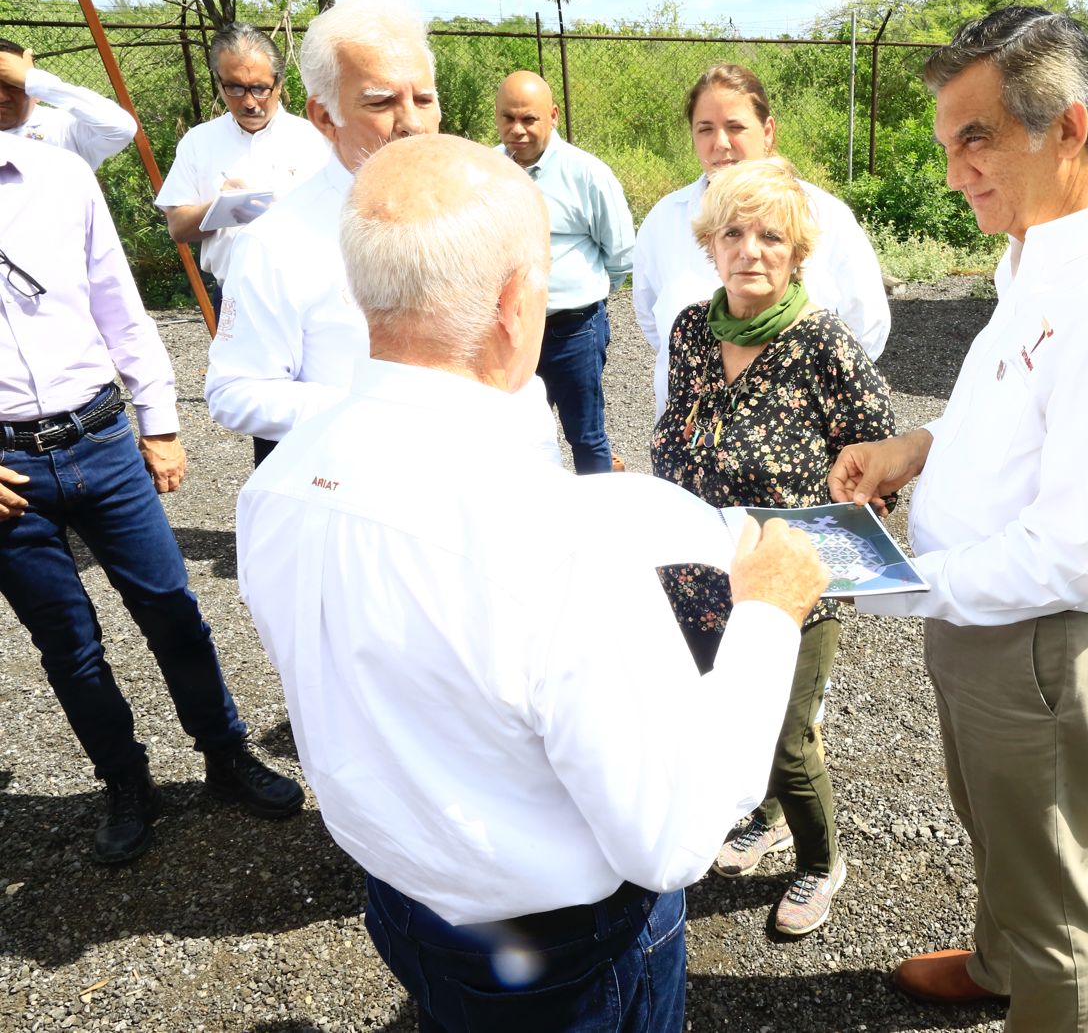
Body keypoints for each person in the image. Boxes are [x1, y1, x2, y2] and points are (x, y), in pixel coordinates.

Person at [235, 132, 829, 1033]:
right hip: (563, 953)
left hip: (402, 900)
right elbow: (673, 834)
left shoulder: (275, 483)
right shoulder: (561, 545)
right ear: (518, 303)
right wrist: (768, 612)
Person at [828, 8, 1088, 1031]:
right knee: (999, 825)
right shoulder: (1041, 245)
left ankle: (1034, 976)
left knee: (1054, 893)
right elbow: (1016, 403)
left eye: (975, 138)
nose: (954, 170)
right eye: (945, 142)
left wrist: (879, 582)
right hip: (983, 614)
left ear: (1067, 127)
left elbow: (1074, 552)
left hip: (1041, 638)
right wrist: (918, 445)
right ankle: (1000, 962)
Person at [0, 131, 302, 866]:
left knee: (172, 608)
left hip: (101, 437)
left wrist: (159, 422)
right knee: (68, 646)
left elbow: (118, 302)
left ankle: (226, 756)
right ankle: (126, 783)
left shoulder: (59, 175)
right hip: (9, 473)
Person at [651, 156, 896, 936]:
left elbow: (879, 459)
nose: (750, 249)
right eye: (733, 233)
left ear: (796, 253)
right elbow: (679, 427)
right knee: (722, 712)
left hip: (794, 583)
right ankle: (760, 816)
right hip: (699, 573)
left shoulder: (823, 341)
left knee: (787, 737)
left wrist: (857, 508)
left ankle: (822, 859)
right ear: (709, 244)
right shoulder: (692, 328)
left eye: (770, 236)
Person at [206, 0, 564, 470]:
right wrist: (382, 411)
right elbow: (235, 392)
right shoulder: (276, 242)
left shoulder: (484, 204)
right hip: (361, 486)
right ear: (323, 116)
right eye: (380, 102)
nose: (412, 123)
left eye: (424, 99)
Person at [633, 63, 891, 418]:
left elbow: (866, 328)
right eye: (705, 129)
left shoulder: (823, 216)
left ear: (767, 131)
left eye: (735, 127)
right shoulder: (665, 219)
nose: (720, 143)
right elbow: (653, 322)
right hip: (687, 441)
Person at [494, 70, 633, 474]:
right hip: (509, 333)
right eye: (507, 118)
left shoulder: (586, 174)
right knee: (511, 436)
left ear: (552, 116)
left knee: (585, 436)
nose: (517, 130)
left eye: (529, 119)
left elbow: (620, 254)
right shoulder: (486, 171)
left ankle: (599, 526)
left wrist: (586, 298)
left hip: (573, 332)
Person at [156, 23, 329, 318]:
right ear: (219, 82)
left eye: (260, 89)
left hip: (308, 295)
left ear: (279, 83)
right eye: (235, 88)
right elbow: (178, 227)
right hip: (233, 297)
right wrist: (219, 209)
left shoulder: (316, 139)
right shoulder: (198, 142)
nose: (249, 102)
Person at [0, 37, 134, 169]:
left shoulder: (64, 128)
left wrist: (34, 80)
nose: (2, 97)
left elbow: (122, 129)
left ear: (35, 92)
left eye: (14, 85)